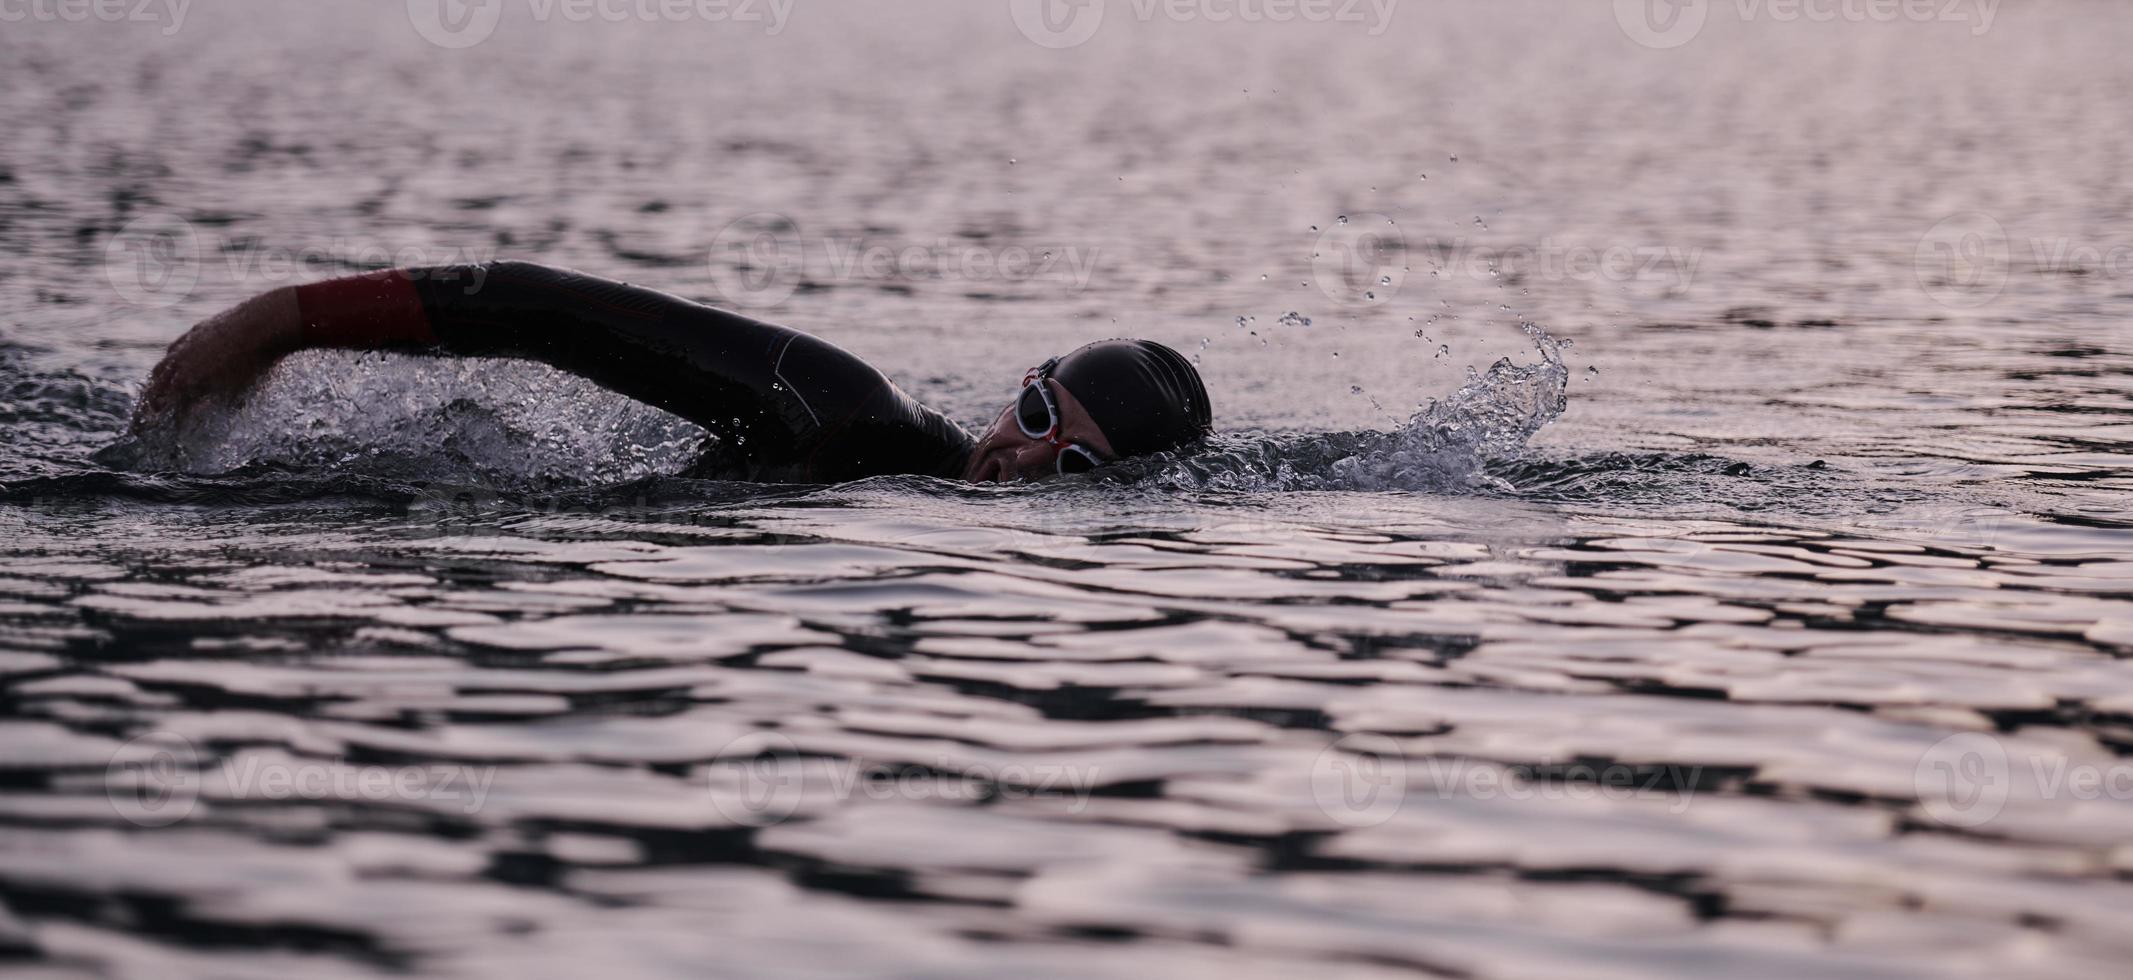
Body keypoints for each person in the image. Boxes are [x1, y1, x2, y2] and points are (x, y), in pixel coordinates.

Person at [132, 261, 1212, 483]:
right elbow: (555, 312)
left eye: (1071, 467)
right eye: (1034, 412)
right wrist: (278, 320)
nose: (1021, 456)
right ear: (1017, 382)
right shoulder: (842, 414)